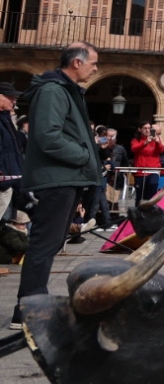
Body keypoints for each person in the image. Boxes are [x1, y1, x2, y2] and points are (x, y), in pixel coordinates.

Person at [11, 43, 99, 330]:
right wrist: (84, 155)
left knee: (50, 244)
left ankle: (33, 303)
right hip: (57, 178)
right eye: (93, 63)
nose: (95, 68)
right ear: (76, 62)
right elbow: (48, 136)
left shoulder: (66, 91)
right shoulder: (53, 91)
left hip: (66, 177)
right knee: (43, 244)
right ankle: (28, 308)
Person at [0, 83, 25, 222]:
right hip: (4, 183)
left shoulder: (5, 119)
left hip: (10, 181)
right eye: (10, 97)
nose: (14, 101)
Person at [129, 122, 164, 202]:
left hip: (153, 170)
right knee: (140, 196)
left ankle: (149, 211)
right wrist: (145, 142)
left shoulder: (156, 139)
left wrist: (158, 142)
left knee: (152, 189)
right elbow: (134, 149)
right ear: (140, 129)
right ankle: (138, 213)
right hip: (140, 171)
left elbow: (161, 150)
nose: (147, 130)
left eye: (149, 128)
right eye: (145, 128)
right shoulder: (136, 140)